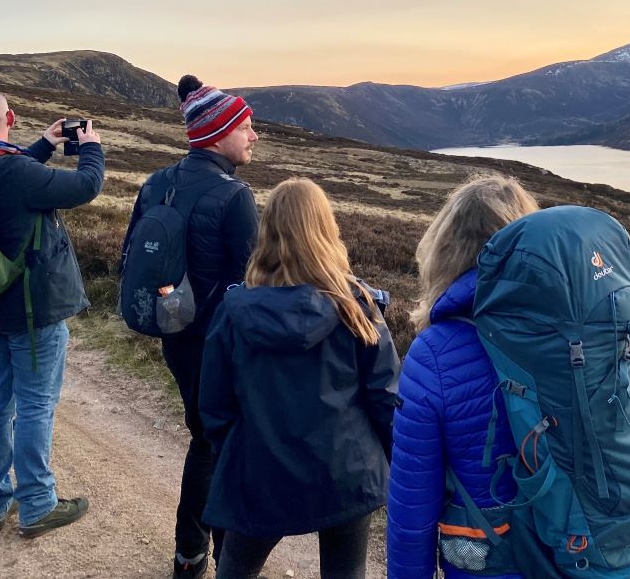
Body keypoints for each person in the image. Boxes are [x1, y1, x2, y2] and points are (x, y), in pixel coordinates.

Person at [199, 178, 399, 579]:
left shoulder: (233, 313)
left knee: (235, 568)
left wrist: (239, 456)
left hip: (260, 473)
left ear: (266, 231)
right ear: (327, 230)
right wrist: (386, 461)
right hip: (347, 472)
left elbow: (214, 408)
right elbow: (386, 398)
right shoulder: (357, 308)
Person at [0, 89, 104, 537]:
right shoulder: (11, 170)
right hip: (32, 312)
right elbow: (85, 187)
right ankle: (37, 505)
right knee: (35, 407)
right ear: (9, 117)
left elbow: (7, 172)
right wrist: (91, 148)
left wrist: (45, 145)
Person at [122, 76, 260, 578]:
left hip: (174, 336)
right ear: (220, 132)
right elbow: (254, 284)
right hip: (219, 345)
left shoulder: (157, 181)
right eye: (246, 126)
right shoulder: (234, 196)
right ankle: (220, 558)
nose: (254, 135)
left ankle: (190, 555)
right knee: (221, 447)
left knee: (204, 439)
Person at [387, 175, 540, 579]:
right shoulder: (574, 333)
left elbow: (411, 510)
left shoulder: (433, 355)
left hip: (488, 562)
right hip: (579, 555)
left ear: (446, 247)